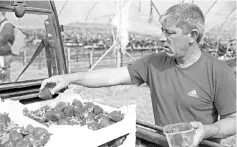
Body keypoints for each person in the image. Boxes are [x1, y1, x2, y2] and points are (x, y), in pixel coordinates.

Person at [40, 3, 236, 147]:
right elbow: (111, 76)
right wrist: (69, 78)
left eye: (170, 33)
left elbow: (232, 120)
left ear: (192, 36)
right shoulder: (155, 63)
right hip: (163, 143)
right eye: (162, 31)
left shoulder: (218, 71)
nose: (161, 38)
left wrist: (206, 131)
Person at [0, 12, 14, 83]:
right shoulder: (2, 24)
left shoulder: (7, 25)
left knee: (4, 79)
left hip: (4, 55)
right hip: (2, 54)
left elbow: (2, 40)